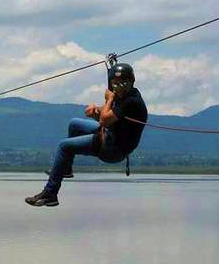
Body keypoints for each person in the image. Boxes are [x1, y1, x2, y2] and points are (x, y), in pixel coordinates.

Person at [25, 62, 148, 207]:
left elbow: (104, 120)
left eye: (124, 83)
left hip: (113, 149)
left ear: (131, 82)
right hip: (109, 134)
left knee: (63, 147)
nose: (119, 87)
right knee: (74, 124)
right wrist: (95, 111)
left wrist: (109, 99)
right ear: (111, 83)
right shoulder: (129, 94)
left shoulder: (132, 101)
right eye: (116, 83)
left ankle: (50, 194)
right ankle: (66, 169)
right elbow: (108, 116)